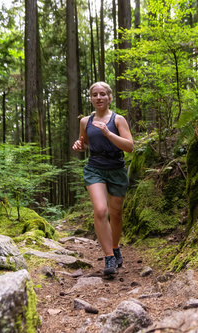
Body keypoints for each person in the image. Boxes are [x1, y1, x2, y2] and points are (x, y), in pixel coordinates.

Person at [72, 82, 134, 276]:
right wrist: (80, 147)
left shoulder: (118, 120)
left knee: (115, 213)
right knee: (100, 210)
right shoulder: (85, 122)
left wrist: (107, 132)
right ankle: (109, 257)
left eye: (102, 94)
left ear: (109, 97)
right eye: (95, 95)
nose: (99, 98)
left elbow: (129, 146)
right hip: (95, 169)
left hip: (116, 169)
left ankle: (115, 247)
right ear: (90, 98)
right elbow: (86, 145)